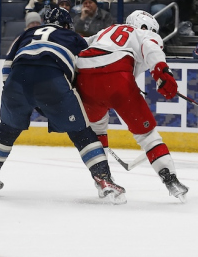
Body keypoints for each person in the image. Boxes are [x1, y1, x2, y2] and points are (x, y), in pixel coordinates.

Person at [0, 8, 126, 204]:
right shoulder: (74, 37)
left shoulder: (27, 34)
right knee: (81, 131)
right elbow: (85, 72)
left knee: (7, 127)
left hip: (16, 80)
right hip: (51, 78)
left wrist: (20, 96)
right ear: (66, 25)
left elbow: (7, 66)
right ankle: (104, 180)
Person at [75, 10, 188, 202]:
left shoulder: (106, 30)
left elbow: (78, 44)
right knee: (147, 135)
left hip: (84, 77)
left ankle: (102, 177)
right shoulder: (144, 33)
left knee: (96, 132)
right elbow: (151, 48)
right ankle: (170, 179)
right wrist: (162, 72)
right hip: (117, 78)